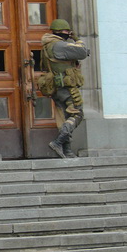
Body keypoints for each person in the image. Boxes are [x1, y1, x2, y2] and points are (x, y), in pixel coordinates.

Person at [41, 18, 89, 159]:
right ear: (61, 31)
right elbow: (82, 52)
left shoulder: (48, 45)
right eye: (67, 32)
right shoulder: (58, 45)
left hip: (56, 86)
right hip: (66, 87)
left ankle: (67, 151)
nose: (69, 34)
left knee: (65, 117)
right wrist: (76, 39)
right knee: (77, 114)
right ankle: (57, 142)